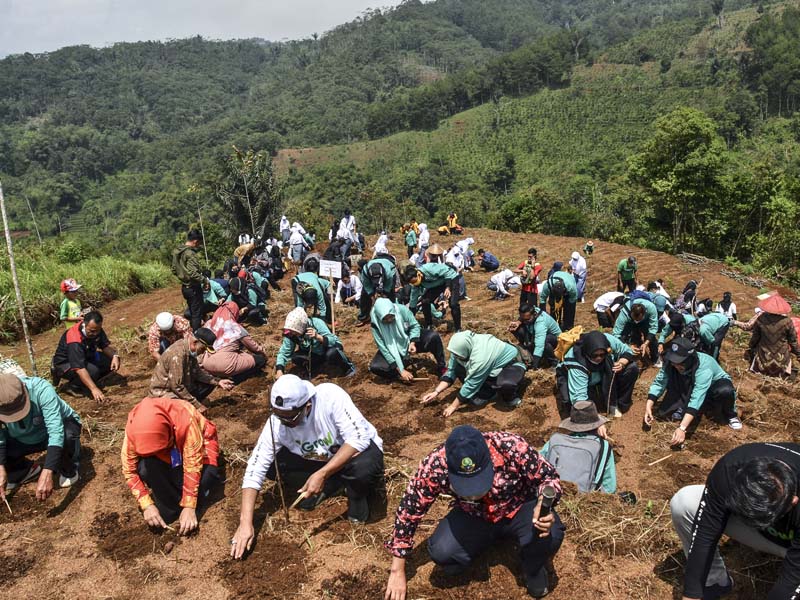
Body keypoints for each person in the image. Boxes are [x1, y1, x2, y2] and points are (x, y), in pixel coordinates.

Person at [384, 425, 564, 600]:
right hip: (474, 515)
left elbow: (549, 476)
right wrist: (397, 570)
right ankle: (483, 543)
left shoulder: (511, 446)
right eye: (466, 487)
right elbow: (409, 509)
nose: (475, 493)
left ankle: (532, 567)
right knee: (442, 551)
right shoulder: (436, 464)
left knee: (551, 534)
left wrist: (543, 502)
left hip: (517, 507)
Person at [231, 376, 384, 556]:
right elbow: (256, 467)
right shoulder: (277, 423)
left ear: (307, 406)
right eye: (279, 417)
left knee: (363, 469)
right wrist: (245, 522)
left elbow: (359, 438)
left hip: (354, 455)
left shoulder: (330, 397)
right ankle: (333, 484)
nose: (284, 423)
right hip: (319, 460)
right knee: (273, 465)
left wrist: (322, 473)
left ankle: (356, 495)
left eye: (289, 418)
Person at [669, 442, 800, 600]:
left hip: (789, 542)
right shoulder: (732, 468)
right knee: (685, 502)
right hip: (765, 532)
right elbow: (705, 534)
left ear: (793, 501)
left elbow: (791, 577)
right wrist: (692, 595)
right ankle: (715, 583)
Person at [122, 397, 221, 533]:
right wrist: (147, 505)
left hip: (199, 446)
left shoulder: (186, 419)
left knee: (208, 476)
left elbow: (193, 464)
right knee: (146, 470)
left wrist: (189, 506)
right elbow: (129, 471)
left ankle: (187, 497)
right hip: (169, 454)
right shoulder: (133, 432)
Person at [0, 374, 82, 500]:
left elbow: (56, 431)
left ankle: (69, 465)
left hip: (51, 432)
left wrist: (48, 470)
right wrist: (1, 467)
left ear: (24, 388)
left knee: (67, 435)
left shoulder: (42, 389)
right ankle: (24, 471)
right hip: (22, 437)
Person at [644, 337, 741, 442]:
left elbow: (697, 396)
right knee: (664, 413)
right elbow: (660, 382)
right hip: (690, 383)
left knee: (725, 391)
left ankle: (731, 414)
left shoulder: (704, 367)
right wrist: (648, 406)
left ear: (689, 358)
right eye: (673, 360)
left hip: (713, 387)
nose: (675, 364)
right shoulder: (671, 363)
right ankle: (684, 405)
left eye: (679, 361)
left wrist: (682, 428)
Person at [422, 331, 527, 417]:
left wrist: (453, 406)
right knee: (459, 368)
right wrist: (436, 392)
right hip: (491, 368)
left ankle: (510, 397)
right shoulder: (459, 348)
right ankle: (487, 393)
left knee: (506, 383)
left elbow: (472, 383)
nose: (456, 357)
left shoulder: (481, 356)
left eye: (459, 356)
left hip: (511, 364)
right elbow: (451, 371)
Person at [556, 330, 639, 419]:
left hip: (600, 371)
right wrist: (593, 419)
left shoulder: (608, 340)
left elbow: (627, 350)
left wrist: (622, 363)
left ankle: (616, 403)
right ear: (587, 352)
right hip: (572, 377)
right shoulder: (576, 363)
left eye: (602, 354)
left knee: (632, 367)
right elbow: (579, 398)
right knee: (570, 405)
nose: (599, 358)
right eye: (594, 355)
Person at [149, 327, 235, 413]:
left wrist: (218, 382)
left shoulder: (190, 351)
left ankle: (190, 404)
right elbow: (177, 386)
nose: (203, 352)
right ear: (195, 343)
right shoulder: (177, 355)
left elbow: (198, 373)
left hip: (181, 387)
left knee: (209, 383)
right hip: (164, 393)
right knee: (184, 412)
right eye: (203, 349)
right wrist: (197, 405)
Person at [541, 401, 615, 494]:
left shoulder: (555, 440)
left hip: (551, 492)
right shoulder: (603, 446)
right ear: (595, 425)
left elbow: (539, 464)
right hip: (584, 498)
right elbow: (610, 487)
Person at [369, 298, 446, 381]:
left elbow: (415, 326)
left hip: (408, 339)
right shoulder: (375, 323)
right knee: (376, 367)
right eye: (385, 319)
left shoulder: (402, 310)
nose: (389, 320)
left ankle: (442, 367)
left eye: (391, 316)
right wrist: (401, 371)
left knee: (433, 337)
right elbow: (383, 347)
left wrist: (412, 343)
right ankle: (399, 372)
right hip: (391, 347)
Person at [50, 311, 120, 403]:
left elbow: (104, 346)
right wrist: (94, 389)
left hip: (86, 356)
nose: (95, 333)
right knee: (93, 372)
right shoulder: (74, 340)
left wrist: (115, 356)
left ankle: (87, 381)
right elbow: (79, 368)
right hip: (66, 363)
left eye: (98, 330)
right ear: (84, 324)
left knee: (109, 361)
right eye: (92, 331)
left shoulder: (96, 328)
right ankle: (72, 386)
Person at [276, 308, 355, 378]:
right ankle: (316, 367)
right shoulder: (291, 334)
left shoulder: (317, 323)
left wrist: (318, 337)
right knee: (296, 357)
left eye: (295, 332)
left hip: (327, 349)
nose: (293, 334)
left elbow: (334, 341)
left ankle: (348, 369)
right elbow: (284, 352)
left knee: (332, 353)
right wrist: (279, 370)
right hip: (314, 354)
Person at [200, 302, 267, 382]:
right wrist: (263, 352)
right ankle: (237, 378)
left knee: (237, 352)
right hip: (225, 366)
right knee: (260, 360)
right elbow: (254, 348)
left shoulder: (209, 323)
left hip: (207, 363)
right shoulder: (235, 327)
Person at [747, 294, 800, 377]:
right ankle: (785, 374)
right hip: (781, 361)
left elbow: (755, 338)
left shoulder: (761, 319)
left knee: (756, 359)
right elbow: (793, 341)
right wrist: (798, 353)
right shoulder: (787, 322)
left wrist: (751, 347)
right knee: (788, 363)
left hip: (763, 359)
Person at [405, 263, 462, 332]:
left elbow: (447, 272)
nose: (416, 283)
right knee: (425, 301)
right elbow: (413, 302)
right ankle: (429, 324)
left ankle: (458, 328)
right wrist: (410, 319)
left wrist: (448, 287)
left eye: (415, 281)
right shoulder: (416, 285)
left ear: (418, 274)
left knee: (453, 304)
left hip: (450, 278)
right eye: (413, 282)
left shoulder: (429, 268)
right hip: (437, 284)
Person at [508, 304, 562, 370]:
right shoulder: (531, 312)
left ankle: (554, 361)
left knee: (544, 341)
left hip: (555, 341)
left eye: (527, 319)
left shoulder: (541, 323)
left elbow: (540, 345)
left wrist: (535, 365)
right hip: (537, 336)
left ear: (534, 315)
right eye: (523, 319)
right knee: (518, 329)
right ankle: (529, 349)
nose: (525, 322)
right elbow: (523, 319)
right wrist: (518, 322)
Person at [172, 230, 206, 330]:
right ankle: (196, 336)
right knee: (196, 313)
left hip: (185, 287)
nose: (199, 245)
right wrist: (205, 280)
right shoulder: (190, 254)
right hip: (193, 287)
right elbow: (193, 273)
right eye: (199, 243)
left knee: (192, 310)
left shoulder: (177, 251)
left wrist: (183, 276)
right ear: (195, 241)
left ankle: (192, 330)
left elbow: (174, 269)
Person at [612, 296, 660, 367]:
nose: (636, 321)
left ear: (644, 314)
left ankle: (656, 360)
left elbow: (653, 328)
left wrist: (646, 343)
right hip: (629, 322)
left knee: (651, 338)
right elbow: (616, 334)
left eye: (638, 319)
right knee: (624, 337)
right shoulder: (624, 313)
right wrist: (627, 346)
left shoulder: (651, 308)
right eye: (635, 319)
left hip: (644, 322)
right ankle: (622, 359)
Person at [357, 255, 397, 324]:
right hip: (370, 277)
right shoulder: (365, 271)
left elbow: (389, 285)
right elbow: (366, 285)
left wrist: (385, 293)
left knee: (390, 295)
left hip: (389, 273)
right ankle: (364, 317)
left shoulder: (389, 272)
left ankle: (391, 314)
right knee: (364, 296)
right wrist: (371, 295)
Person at [293, 256, 332, 324]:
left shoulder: (319, 292)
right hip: (297, 280)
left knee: (325, 300)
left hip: (313, 278)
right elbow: (300, 305)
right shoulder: (300, 291)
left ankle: (327, 319)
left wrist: (322, 323)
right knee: (299, 306)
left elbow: (323, 309)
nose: (310, 305)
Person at [538, 265, 578, 330]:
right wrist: (543, 312)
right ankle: (555, 325)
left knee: (569, 311)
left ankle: (568, 327)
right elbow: (542, 298)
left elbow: (573, 300)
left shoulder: (571, 287)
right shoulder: (548, 285)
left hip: (568, 293)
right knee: (554, 309)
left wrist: (568, 309)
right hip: (554, 291)